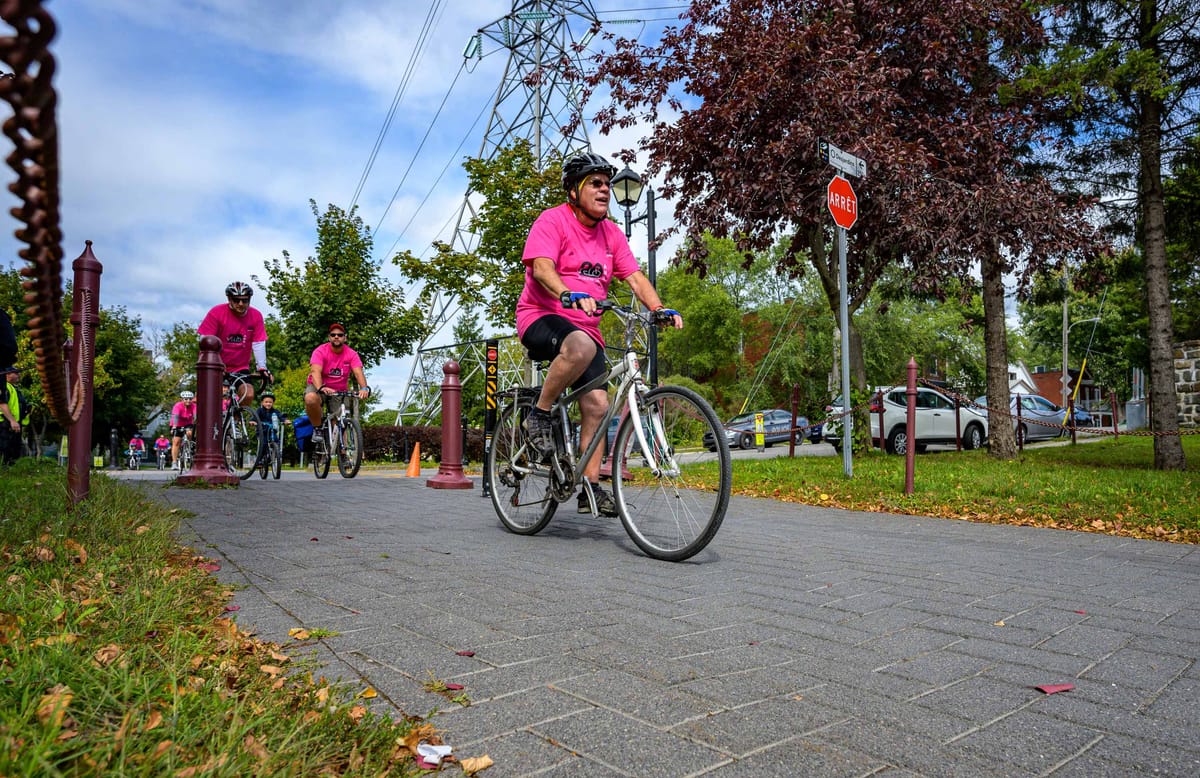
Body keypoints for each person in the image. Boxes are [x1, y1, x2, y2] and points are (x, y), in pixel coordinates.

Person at [517, 151, 682, 517]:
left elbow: (635, 278)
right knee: (579, 346)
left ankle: (588, 487)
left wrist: (658, 308)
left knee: (598, 405)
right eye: (595, 183)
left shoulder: (610, 233)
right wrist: (566, 293)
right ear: (574, 191)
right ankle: (539, 415)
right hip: (541, 316)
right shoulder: (552, 221)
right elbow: (542, 267)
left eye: (607, 184)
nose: (605, 190)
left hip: (586, 332)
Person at [197, 281, 273, 406]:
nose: (241, 304)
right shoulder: (216, 313)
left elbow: (258, 343)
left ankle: (235, 423)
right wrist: (211, 364)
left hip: (240, 367)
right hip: (215, 364)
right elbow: (205, 342)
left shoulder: (256, 315)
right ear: (229, 299)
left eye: (245, 300)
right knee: (209, 402)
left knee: (248, 394)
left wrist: (262, 368)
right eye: (237, 300)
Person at [304, 323, 369, 445]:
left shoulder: (351, 354)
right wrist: (321, 387)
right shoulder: (320, 351)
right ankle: (317, 428)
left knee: (339, 421)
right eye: (333, 335)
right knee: (311, 398)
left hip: (339, 390)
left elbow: (358, 372)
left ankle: (343, 454)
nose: (336, 337)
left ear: (345, 337)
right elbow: (315, 371)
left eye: (340, 335)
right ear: (329, 337)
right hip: (319, 386)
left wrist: (364, 388)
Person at [250, 390, 290, 461]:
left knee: (276, 441)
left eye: (270, 402)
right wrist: (253, 421)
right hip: (262, 431)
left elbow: (280, 416)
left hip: (272, 430)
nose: (268, 404)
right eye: (266, 402)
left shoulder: (275, 411)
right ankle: (260, 459)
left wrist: (285, 420)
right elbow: (255, 417)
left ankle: (276, 453)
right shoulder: (259, 410)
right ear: (262, 402)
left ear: (273, 403)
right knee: (263, 444)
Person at [0, 365, 27, 465]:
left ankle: (10, 471)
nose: (19, 375)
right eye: (16, 373)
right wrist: (12, 421)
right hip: (4, 425)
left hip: (11, 426)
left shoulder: (13, 388)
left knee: (13, 451)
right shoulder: (3, 386)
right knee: (4, 451)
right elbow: (2, 404)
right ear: (7, 374)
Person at [169, 390, 197, 470]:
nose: (188, 401)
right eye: (186, 399)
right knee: (176, 441)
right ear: (182, 399)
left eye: (190, 399)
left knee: (189, 433)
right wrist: (174, 427)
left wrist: (196, 422)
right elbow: (176, 416)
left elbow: (195, 416)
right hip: (177, 424)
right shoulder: (178, 406)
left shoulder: (194, 406)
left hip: (188, 423)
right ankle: (174, 463)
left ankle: (190, 446)